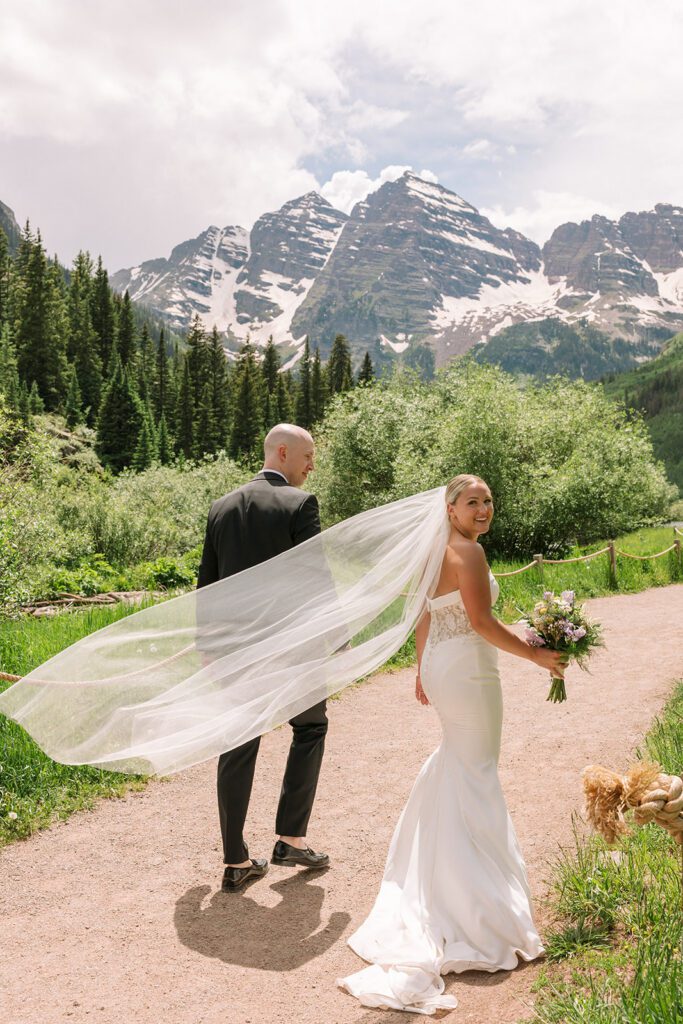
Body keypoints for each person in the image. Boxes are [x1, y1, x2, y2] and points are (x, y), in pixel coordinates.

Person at [338, 474, 567, 1015]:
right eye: (473, 501)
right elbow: (482, 623)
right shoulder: (469, 552)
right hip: (469, 671)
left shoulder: (434, 549)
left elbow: (425, 612)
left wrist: (422, 665)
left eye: (488, 500)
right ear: (451, 507)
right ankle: (480, 907)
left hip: (445, 667)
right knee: (478, 769)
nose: (484, 509)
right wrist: (537, 656)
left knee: (461, 764)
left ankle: (448, 882)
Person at [197, 423, 330, 893]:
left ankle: (235, 861)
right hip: (289, 647)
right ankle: (290, 839)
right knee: (310, 727)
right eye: (308, 456)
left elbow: (208, 584)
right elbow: (314, 579)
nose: (312, 465)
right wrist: (334, 638)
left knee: (238, 742)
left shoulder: (221, 507)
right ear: (282, 452)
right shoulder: (300, 504)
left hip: (234, 648)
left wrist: (206, 646)